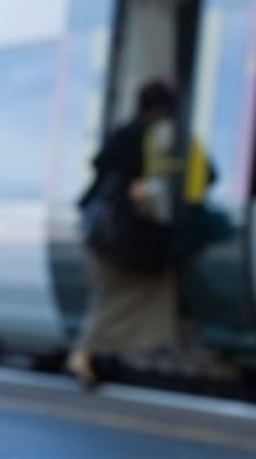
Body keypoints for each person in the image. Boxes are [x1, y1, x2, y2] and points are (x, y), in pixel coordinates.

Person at [68, 80, 180, 389]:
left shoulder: (121, 133)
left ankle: (93, 354)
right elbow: (142, 190)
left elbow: (99, 167)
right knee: (132, 291)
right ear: (159, 110)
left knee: (106, 295)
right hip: (117, 233)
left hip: (96, 229)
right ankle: (88, 354)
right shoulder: (143, 140)